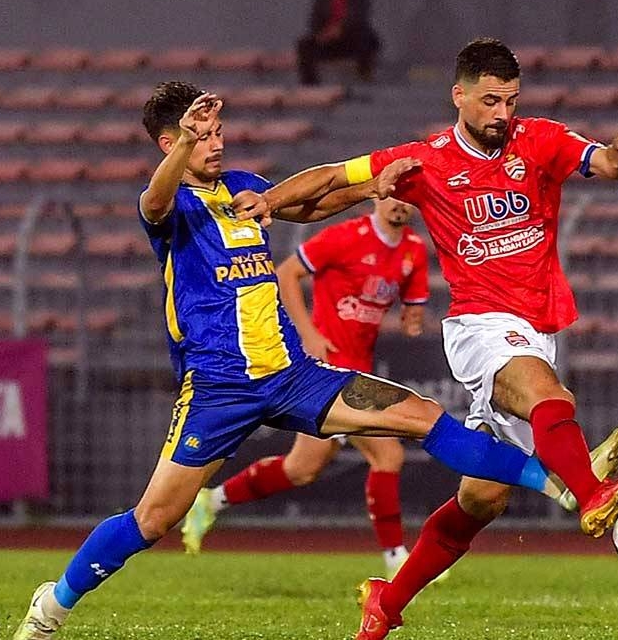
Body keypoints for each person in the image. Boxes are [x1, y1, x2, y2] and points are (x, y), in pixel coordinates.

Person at [10, 80, 614, 639]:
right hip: (218, 389)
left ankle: (565, 486)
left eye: (218, 132)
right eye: (201, 135)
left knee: (422, 416)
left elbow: (308, 209)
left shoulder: (242, 187)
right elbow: (153, 198)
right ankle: (53, 604)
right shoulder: (169, 208)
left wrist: (369, 189)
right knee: (152, 520)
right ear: (172, 142)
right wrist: (184, 148)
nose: (216, 143)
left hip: (293, 376)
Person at [233, 38, 618, 640]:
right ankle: (592, 492)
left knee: (481, 501)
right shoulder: (424, 159)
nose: (501, 114)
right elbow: (332, 179)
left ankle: (388, 599)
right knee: (551, 398)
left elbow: (609, 165)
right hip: (481, 326)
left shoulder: (540, 140)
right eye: (490, 101)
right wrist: (270, 202)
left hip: (535, 326)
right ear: (458, 95)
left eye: (510, 101)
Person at [179, 197, 431, 580]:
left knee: (302, 469)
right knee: (389, 455)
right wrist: (308, 333)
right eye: (391, 195)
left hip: (359, 365)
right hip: (328, 369)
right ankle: (398, 559)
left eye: (406, 198)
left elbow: (413, 306)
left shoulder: (413, 249)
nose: (399, 204)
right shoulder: (345, 237)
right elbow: (286, 273)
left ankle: (211, 501)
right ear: (376, 197)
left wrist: (413, 319)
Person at [297, 0, 380, 85]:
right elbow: (315, 17)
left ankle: (364, 74)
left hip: (351, 39)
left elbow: (359, 16)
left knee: (364, 38)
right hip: (329, 41)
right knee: (304, 45)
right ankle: (309, 84)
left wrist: (341, 29)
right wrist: (320, 33)